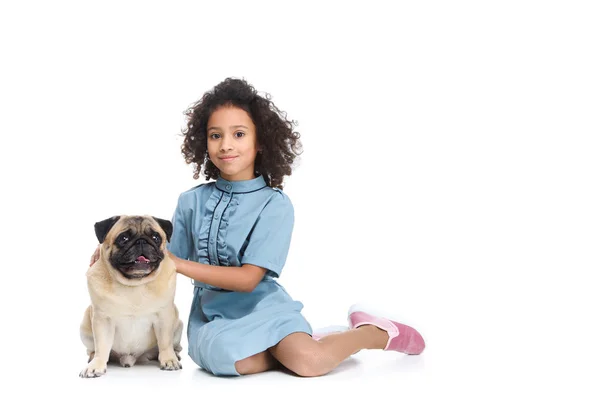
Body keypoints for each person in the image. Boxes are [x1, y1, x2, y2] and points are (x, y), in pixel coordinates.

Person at [90, 77, 426, 377]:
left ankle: (370, 332)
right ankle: (308, 343)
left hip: (264, 307)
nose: (226, 145)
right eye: (215, 135)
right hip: (212, 317)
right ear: (203, 142)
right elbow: (161, 260)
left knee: (309, 365)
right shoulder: (189, 202)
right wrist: (110, 250)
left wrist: (173, 262)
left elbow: (248, 278)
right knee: (226, 361)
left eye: (238, 134)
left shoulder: (275, 205)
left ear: (260, 141)